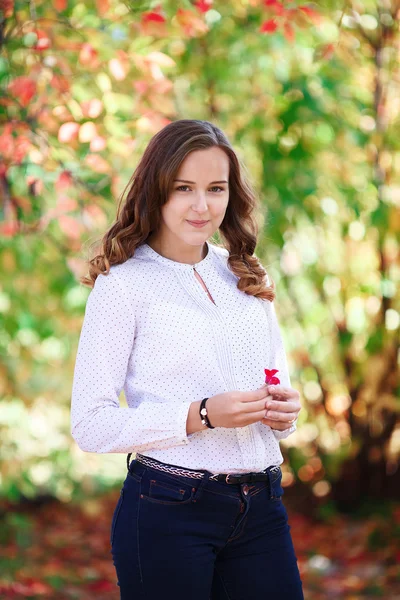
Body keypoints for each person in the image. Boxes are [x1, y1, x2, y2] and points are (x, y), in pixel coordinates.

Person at [70, 119, 304, 599]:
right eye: (184, 188)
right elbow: (90, 424)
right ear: (157, 191)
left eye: (216, 188)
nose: (202, 206)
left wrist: (284, 412)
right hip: (169, 511)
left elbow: (274, 388)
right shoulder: (123, 286)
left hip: (262, 507)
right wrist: (199, 415)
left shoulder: (245, 275)